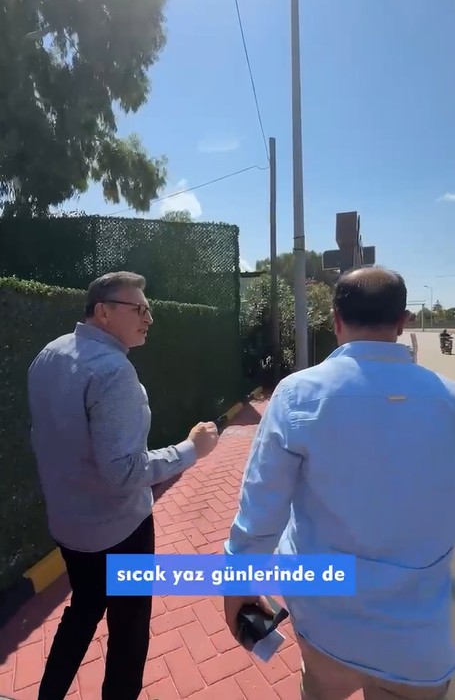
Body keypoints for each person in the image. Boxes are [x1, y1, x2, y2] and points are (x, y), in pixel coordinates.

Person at [223, 266, 455, 700]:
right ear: (402, 322)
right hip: (419, 640)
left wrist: (239, 584)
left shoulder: (296, 395)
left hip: (324, 622)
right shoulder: (448, 399)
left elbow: (261, 510)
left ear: (335, 321)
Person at [28, 271, 219, 700]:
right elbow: (124, 473)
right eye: (139, 309)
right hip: (120, 532)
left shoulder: (49, 354)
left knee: (83, 610)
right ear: (103, 312)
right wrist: (191, 449)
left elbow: (43, 437)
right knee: (128, 634)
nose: (148, 318)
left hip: (69, 527)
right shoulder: (113, 372)